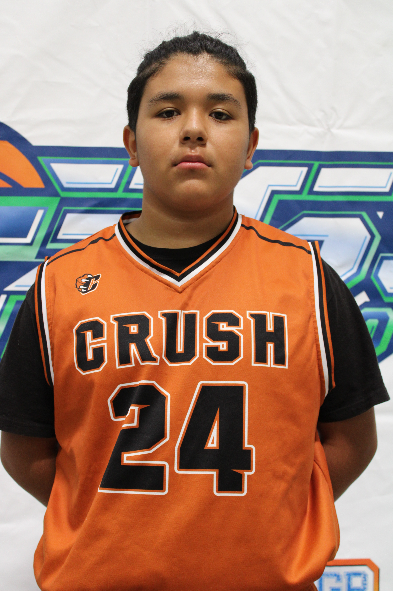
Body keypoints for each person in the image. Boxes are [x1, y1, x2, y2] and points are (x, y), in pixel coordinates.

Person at [0, 32, 389, 591]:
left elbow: (352, 440)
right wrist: (109, 516)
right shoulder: (59, 284)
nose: (193, 129)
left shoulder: (309, 279)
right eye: (167, 111)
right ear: (131, 143)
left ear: (251, 146)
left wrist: (272, 515)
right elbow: (26, 449)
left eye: (220, 113)